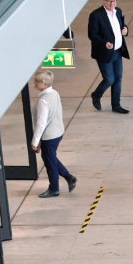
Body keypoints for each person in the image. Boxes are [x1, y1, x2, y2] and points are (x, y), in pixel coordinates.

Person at [31, 70, 77, 198]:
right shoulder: (54, 93)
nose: (34, 83)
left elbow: (41, 123)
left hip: (49, 136)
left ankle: (54, 189)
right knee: (50, 158)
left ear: (45, 84)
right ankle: (69, 178)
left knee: (49, 163)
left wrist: (35, 142)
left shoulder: (43, 101)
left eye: (37, 81)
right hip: (58, 131)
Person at [87, 0, 130, 114]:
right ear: (104, 1)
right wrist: (104, 43)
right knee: (109, 79)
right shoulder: (96, 15)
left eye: (114, 1)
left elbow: (122, 25)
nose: (113, 4)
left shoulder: (118, 11)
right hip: (104, 53)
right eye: (110, 2)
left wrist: (126, 29)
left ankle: (116, 105)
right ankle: (96, 95)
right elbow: (92, 34)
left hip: (117, 52)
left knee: (118, 78)